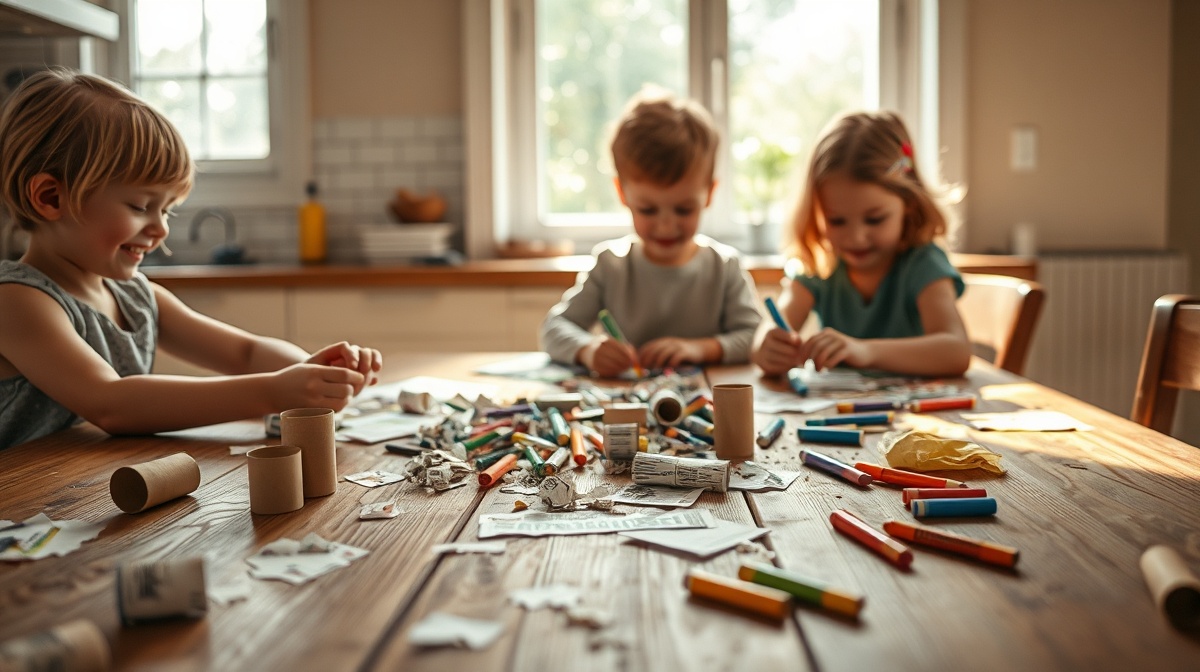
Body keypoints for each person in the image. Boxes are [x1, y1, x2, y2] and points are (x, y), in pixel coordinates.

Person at [0, 69, 382, 449]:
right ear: (50, 198)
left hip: (65, 486)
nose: (160, 229)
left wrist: (315, 372)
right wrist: (274, 391)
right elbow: (111, 403)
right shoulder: (17, 301)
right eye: (140, 206)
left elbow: (244, 352)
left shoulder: (135, 296)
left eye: (166, 211)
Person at [539, 89, 762, 378]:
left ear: (710, 193)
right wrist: (589, 350)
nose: (666, 226)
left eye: (683, 210)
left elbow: (755, 337)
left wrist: (700, 348)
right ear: (622, 193)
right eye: (647, 210)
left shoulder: (724, 267)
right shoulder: (610, 265)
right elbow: (553, 329)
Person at [751, 111, 971, 378]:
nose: (855, 238)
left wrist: (865, 351)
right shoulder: (820, 264)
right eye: (836, 221)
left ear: (909, 205)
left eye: (875, 219)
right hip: (838, 414)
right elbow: (764, 338)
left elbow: (956, 352)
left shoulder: (923, 263)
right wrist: (768, 347)